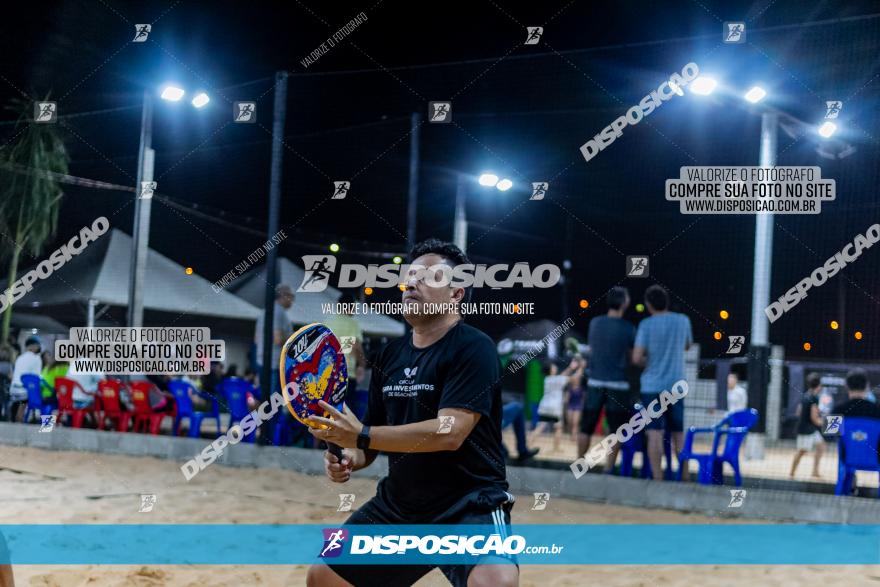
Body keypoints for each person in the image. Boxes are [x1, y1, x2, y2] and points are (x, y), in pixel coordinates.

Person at [306, 238, 518, 587]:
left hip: (467, 505)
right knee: (324, 576)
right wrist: (350, 456)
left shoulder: (474, 347)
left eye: (429, 277)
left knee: (494, 583)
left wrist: (360, 435)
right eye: (410, 275)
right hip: (400, 508)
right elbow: (370, 443)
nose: (411, 283)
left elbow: (450, 432)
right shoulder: (390, 356)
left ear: (456, 293)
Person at [632, 285, 693, 481]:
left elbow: (636, 358)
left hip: (651, 386)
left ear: (649, 305)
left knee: (654, 434)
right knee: (678, 433)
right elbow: (687, 345)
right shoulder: (683, 321)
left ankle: (658, 479)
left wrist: (647, 360)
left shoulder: (646, 325)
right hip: (676, 386)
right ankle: (683, 477)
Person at [579, 287, 636, 468]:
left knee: (586, 426)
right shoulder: (628, 328)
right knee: (615, 430)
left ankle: (580, 465)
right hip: (618, 384)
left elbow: (593, 349)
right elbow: (632, 356)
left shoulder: (595, 323)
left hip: (595, 381)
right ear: (624, 303)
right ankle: (608, 469)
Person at [324, 292, 367, 407]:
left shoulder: (327, 322)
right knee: (345, 410)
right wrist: (362, 365)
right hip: (346, 372)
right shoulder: (352, 323)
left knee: (330, 409)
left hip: (327, 373)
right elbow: (355, 346)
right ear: (351, 306)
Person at [255, 284, 295, 395]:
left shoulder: (264, 311)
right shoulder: (279, 312)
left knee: (264, 398)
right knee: (272, 402)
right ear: (284, 295)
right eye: (292, 297)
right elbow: (277, 339)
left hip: (261, 361)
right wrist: (294, 338)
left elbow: (256, 339)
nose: (293, 301)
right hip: (274, 364)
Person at [790, 372, 825, 478]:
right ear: (819, 385)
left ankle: (815, 471)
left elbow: (798, 412)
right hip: (806, 429)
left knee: (821, 446)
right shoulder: (814, 398)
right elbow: (814, 418)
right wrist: (825, 423)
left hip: (808, 428)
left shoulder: (805, 395)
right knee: (802, 451)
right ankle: (792, 473)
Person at [529, 362, 567, 453]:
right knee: (558, 428)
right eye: (553, 366)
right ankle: (556, 448)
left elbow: (561, 377)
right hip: (554, 408)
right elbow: (570, 378)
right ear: (551, 370)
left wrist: (570, 368)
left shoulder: (547, 379)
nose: (555, 367)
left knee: (540, 427)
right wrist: (579, 368)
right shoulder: (556, 379)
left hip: (544, 407)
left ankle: (528, 444)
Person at [9, 336, 43, 422]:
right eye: (37, 345)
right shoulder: (36, 358)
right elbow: (36, 377)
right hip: (24, 391)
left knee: (20, 403)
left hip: (13, 389)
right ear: (33, 346)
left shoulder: (20, 357)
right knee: (46, 402)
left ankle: (15, 421)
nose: (39, 348)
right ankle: (46, 429)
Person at [565, 355, 586, 444]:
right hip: (570, 405)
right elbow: (566, 399)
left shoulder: (581, 388)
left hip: (578, 406)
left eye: (578, 378)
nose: (576, 379)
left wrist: (581, 365)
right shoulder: (570, 387)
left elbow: (583, 399)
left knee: (575, 422)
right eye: (575, 378)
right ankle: (571, 434)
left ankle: (574, 436)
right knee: (570, 422)